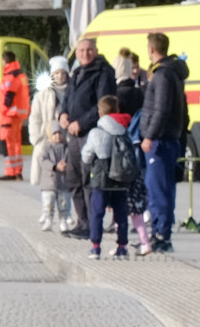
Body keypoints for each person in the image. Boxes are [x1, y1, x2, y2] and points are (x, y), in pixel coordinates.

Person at [139, 31, 185, 252]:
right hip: (167, 138)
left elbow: (161, 109)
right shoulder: (171, 73)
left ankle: (161, 236)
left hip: (160, 140)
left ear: (151, 49)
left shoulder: (162, 75)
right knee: (161, 188)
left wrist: (150, 135)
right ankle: (160, 232)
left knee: (158, 190)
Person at [84, 87, 141, 258]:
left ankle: (95, 246)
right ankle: (122, 246)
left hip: (101, 180)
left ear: (101, 113)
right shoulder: (125, 130)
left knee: (97, 213)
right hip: (122, 179)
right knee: (121, 214)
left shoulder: (96, 132)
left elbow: (86, 156)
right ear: (117, 110)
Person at [31, 58, 76, 231]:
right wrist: (36, 138)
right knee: (47, 179)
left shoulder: (72, 92)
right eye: (56, 73)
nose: (60, 76)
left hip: (66, 142)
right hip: (46, 141)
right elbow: (34, 117)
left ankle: (65, 214)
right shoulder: (42, 94)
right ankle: (47, 211)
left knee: (65, 180)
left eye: (63, 73)